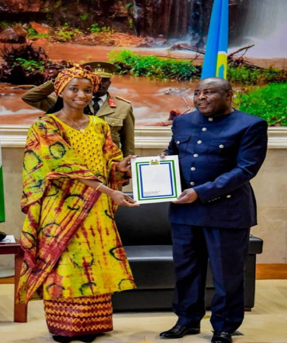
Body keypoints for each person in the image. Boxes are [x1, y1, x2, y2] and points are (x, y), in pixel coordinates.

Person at [16, 64, 138, 343]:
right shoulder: (45, 125)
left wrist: (120, 166)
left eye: (87, 89)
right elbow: (62, 164)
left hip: (97, 208)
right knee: (66, 263)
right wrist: (108, 190)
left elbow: (109, 159)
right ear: (60, 91)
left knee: (94, 262)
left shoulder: (99, 125)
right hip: (60, 207)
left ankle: (92, 326)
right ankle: (64, 326)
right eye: (74, 88)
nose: (81, 95)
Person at [159, 77, 268, 343]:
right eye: (197, 93)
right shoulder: (183, 121)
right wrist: (160, 166)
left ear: (229, 95)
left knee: (226, 274)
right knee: (186, 271)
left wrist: (200, 192)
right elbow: (173, 153)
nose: (201, 98)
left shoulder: (251, 125)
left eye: (209, 93)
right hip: (184, 212)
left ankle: (224, 327)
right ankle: (187, 320)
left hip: (226, 212)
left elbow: (245, 169)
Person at [21, 61, 135, 157]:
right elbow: (30, 98)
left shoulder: (123, 107)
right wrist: (58, 81)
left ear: (110, 83)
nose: (100, 83)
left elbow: (128, 143)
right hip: (74, 164)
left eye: (104, 80)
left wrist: (127, 168)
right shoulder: (67, 102)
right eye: (97, 79)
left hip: (108, 165)